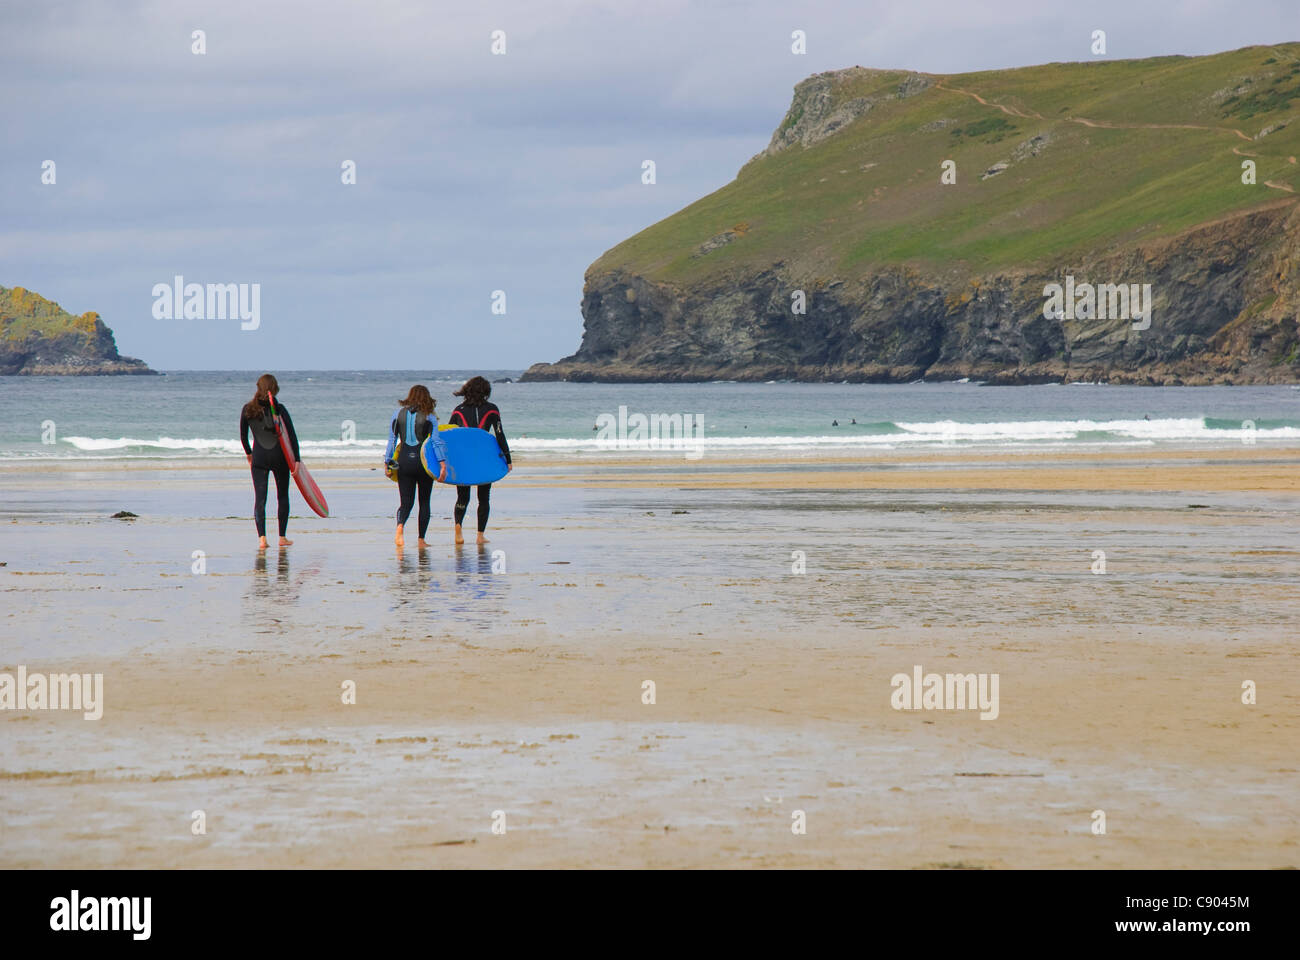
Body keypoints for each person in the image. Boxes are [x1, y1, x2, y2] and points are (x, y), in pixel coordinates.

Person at [448, 375, 512, 545]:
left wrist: (446, 462)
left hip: (463, 461)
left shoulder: (458, 410)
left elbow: (449, 437)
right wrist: (508, 458)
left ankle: (458, 528)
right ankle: (480, 535)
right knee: (484, 498)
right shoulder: (492, 409)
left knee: (462, 497)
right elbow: (499, 434)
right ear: (486, 391)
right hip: (485, 459)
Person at [240, 373, 298, 551]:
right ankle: (282, 537)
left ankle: (262, 539)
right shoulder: (280, 409)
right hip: (280, 458)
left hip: (259, 458)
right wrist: (297, 460)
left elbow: (243, 436)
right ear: (274, 389)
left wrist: (249, 453)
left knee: (260, 498)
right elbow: (292, 437)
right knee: (282, 496)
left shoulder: (248, 409)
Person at [384, 385, 446, 549]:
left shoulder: (397, 414)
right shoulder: (430, 416)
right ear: (427, 397)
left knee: (406, 502)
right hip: (423, 464)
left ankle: (399, 528)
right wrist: (442, 464)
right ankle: (421, 540)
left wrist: (387, 463)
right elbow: (436, 442)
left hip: (404, 462)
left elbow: (392, 441)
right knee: (424, 502)